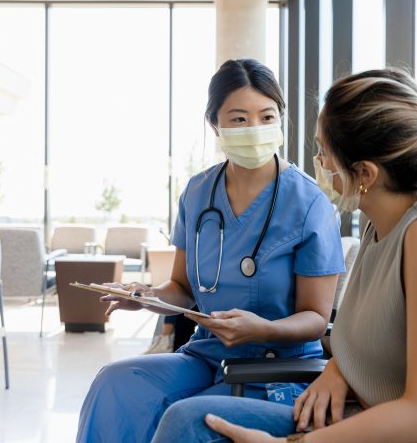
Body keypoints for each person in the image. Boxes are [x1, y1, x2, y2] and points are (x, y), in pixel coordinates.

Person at [151, 68, 417, 443]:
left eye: (323, 152)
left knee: (193, 426)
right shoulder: (385, 230)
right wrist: (341, 371)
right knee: (188, 420)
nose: (318, 164)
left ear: (366, 174)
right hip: (393, 418)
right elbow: (378, 334)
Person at [76, 59, 345, 442]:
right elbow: (182, 288)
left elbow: (317, 318)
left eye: (267, 116)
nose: (254, 128)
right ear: (214, 124)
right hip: (206, 354)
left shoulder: (309, 203)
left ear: (280, 119)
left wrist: (262, 330)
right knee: (116, 383)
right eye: (238, 119)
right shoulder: (198, 193)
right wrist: (146, 297)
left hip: (277, 365)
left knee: (187, 420)